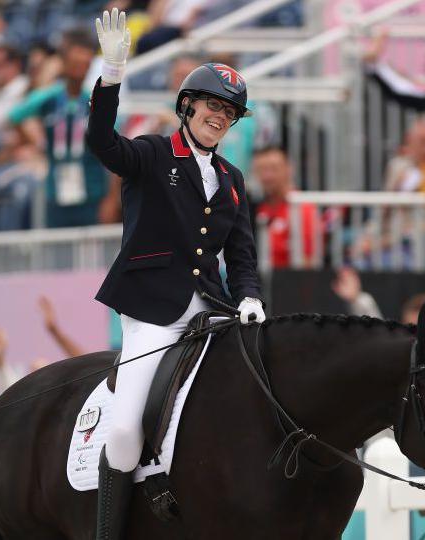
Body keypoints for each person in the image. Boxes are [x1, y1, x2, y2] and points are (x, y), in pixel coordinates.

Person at [86, 9, 265, 538]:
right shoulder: (152, 153)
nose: (221, 116)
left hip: (213, 311)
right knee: (122, 432)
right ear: (188, 105)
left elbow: (242, 255)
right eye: (213, 105)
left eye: (230, 112)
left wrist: (250, 295)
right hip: (152, 310)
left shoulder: (232, 180)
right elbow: (102, 143)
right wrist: (112, 77)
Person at [9, 27, 106, 228]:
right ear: (62, 60)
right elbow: (16, 116)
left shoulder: (95, 101)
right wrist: (36, 142)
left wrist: (112, 199)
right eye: (75, 59)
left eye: (85, 61)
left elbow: (113, 138)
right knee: (58, 253)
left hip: (92, 190)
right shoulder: (51, 97)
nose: (80, 66)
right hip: (56, 188)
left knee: (93, 254)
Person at [252, 145, 318, 269]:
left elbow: (309, 260)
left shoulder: (302, 208)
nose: (267, 176)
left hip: (291, 282)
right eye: (261, 170)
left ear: (289, 168)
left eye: (273, 169)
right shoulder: (256, 208)